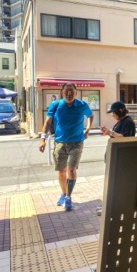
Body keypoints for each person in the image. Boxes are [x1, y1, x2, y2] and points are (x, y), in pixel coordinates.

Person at [39, 83, 94, 211]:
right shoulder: (55, 105)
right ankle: (63, 194)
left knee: (71, 170)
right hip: (59, 143)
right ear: (62, 93)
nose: (69, 94)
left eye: (72, 92)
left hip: (77, 143)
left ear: (76, 93)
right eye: (66, 91)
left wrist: (88, 129)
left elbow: (91, 116)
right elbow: (47, 122)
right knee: (62, 171)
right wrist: (42, 139)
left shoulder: (82, 105)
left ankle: (68, 197)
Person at [97, 101, 135, 215]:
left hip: (121, 158)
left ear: (120, 111)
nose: (112, 115)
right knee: (114, 183)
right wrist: (108, 132)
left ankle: (112, 208)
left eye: (113, 112)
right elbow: (117, 135)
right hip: (116, 156)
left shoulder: (128, 122)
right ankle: (110, 207)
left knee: (115, 184)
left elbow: (125, 137)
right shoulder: (121, 121)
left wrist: (110, 132)